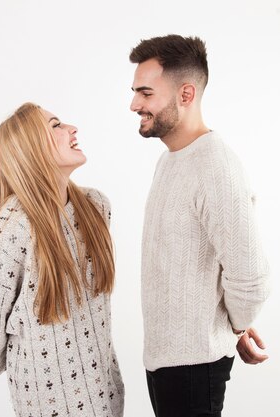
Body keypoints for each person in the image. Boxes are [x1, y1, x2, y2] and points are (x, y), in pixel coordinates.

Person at [129, 35, 270, 417]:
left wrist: (234, 327)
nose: (134, 104)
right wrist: (232, 326)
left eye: (145, 93)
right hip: (165, 361)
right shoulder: (171, 160)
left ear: (186, 94)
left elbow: (251, 278)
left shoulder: (215, 166)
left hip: (193, 366)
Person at [0, 103, 124, 417]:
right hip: (47, 403)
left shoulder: (96, 206)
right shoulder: (14, 225)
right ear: (31, 151)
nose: (71, 128)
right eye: (55, 125)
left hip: (103, 393)